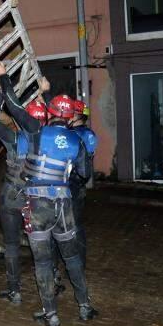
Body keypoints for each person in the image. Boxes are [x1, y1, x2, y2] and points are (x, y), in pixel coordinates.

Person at [0, 59, 97, 326]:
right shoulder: (78, 140)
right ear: (70, 114)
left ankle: (51, 314)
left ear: (49, 113)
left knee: (43, 261)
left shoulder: (35, 131)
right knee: (71, 257)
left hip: (38, 206)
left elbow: (13, 107)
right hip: (64, 205)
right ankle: (84, 306)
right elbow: (84, 173)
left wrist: (4, 78)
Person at [0, 85, 50, 304]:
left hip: (12, 196)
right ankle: (50, 290)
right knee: (42, 245)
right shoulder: (49, 140)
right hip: (37, 198)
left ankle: (15, 291)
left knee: (11, 244)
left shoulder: (14, 139)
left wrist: (0, 96)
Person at [69, 100, 97, 266]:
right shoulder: (85, 133)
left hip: (74, 184)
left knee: (75, 226)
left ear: (75, 115)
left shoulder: (81, 135)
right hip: (75, 185)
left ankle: (78, 262)